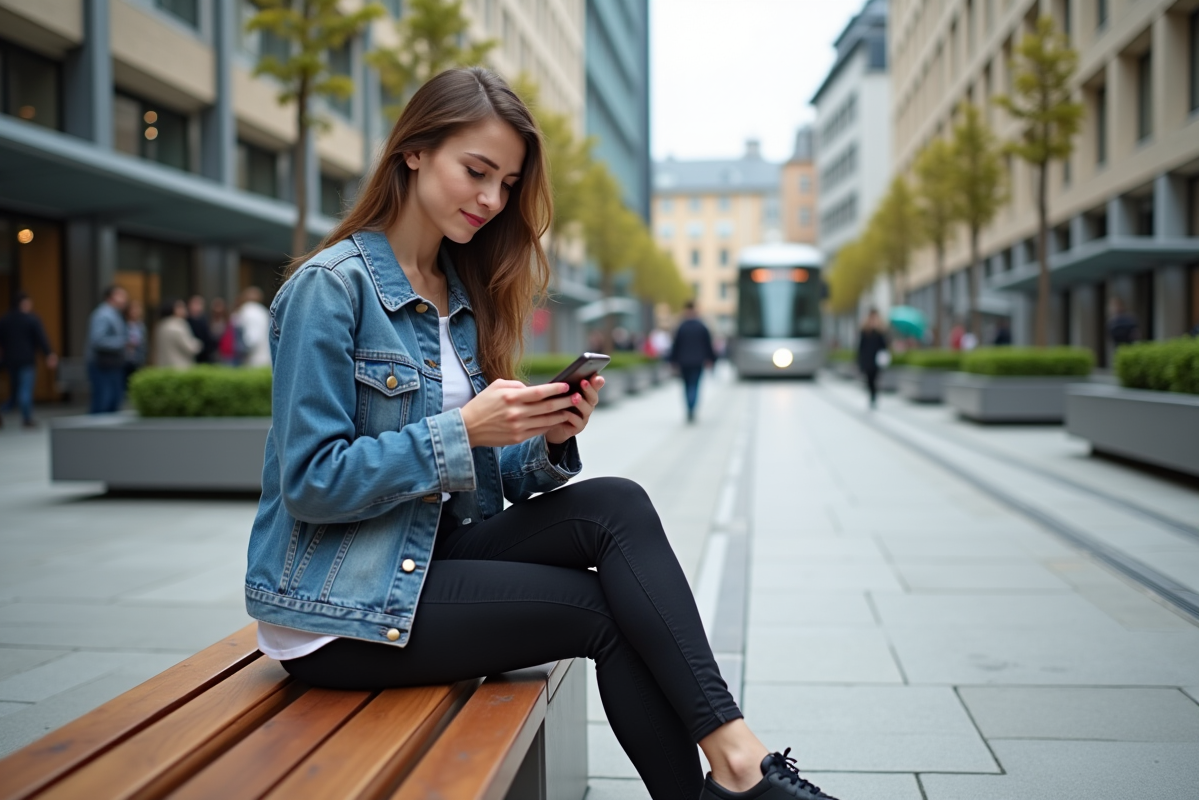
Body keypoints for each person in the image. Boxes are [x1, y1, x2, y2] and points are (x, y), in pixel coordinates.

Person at [244, 68, 835, 800]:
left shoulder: (460, 292)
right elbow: (311, 483)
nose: (492, 201)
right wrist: (461, 430)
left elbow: (483, 477)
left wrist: (547, 440)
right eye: (477, 172)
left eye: (507, 184)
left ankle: (737, 765)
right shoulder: (330, 289)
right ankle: (741, 774)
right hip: (339, 608)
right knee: (603, 615)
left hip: (428, 554)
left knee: (616, 503)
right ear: (414, 153)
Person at [0, 292, 57, 429]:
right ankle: (26, 418)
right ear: (24, 303)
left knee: (15, 391)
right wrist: (49, 354)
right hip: (26, 360)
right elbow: (41, 338)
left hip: (10, 360)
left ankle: (2, 411)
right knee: (25, 390)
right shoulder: (31, 319)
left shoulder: (5, 320)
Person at [668, 301, 716, 424]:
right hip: (698, 361)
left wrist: (673, 361)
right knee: (695, 385)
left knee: (686, 386)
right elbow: (708, 345)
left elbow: (675, 346)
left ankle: (689, 408)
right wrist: (711, 359)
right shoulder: (702, 326)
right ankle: (692, 408)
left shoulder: (681, 326)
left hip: (684, 362)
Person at [85, 285, 129, 414]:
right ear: (110, 297)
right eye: (121, 295)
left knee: (113, 401)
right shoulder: (103, 314)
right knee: (103, 402)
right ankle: (94, 433)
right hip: (102, 364)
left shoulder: (114, 314)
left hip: (112, 363)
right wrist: (122, 343)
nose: (124, 299)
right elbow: (97, 340)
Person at [153, 299, 202, 369]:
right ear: (173, 309)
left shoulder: (161, 325)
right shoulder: (179, 324)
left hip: (163, 367)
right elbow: (190, 347)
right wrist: (198, 343)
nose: (185, 310)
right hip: (180, 368)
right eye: (181, 307)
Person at [857, 308, 888, 410]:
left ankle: (874, 397)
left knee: (875, 379)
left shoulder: (880, 331)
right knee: (869, 380)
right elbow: (860, 346)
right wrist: (858, 360)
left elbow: (884, 346)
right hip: (867, 359)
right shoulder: (864, 331)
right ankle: (872, 395)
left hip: (876, 360)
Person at [233, 286, 271, 367]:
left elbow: (252, 340)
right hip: (266, 357)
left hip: (252, 359)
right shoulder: (263, 310)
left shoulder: (247, 310)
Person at [124, 301, 148, 387]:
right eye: (132, 309)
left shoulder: (141, 326)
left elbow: (144, 344)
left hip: (138, 359)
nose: (135, 312)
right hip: (125, 359)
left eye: (137, 309)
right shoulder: (122, 324)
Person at [187, 295, 215, 363]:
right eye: (195, 304)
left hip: (205, 356)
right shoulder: (185, 321)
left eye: (200, 304)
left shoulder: (206, 320)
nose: (198, 307)